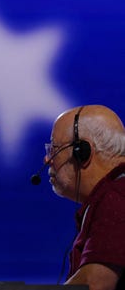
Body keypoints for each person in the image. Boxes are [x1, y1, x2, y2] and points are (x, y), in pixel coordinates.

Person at [45, 105, 125, 290]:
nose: (47, 160)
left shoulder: (116, 197)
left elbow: (94, 284)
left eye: (54, 150)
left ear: (82, 152)